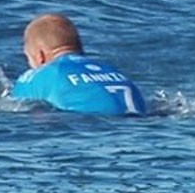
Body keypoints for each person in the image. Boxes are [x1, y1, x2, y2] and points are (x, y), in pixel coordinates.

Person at [11, 13, 146, 116]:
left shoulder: (42, 75)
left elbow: (13, 105)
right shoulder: (111, 71)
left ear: (40, 56)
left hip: (88, 127)